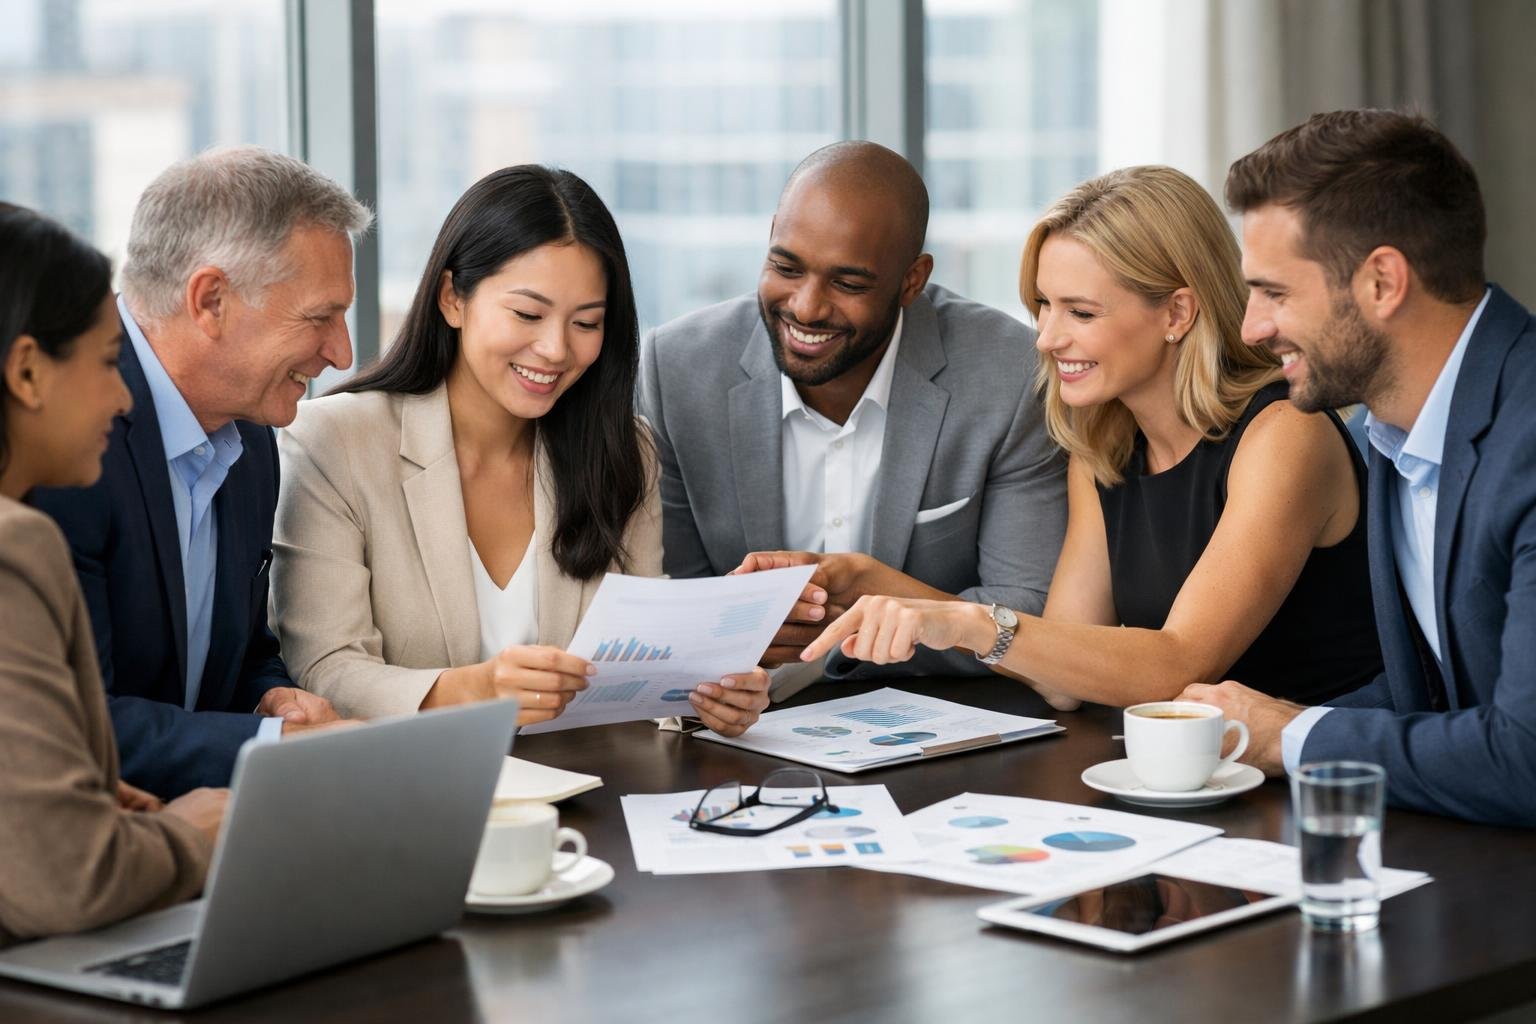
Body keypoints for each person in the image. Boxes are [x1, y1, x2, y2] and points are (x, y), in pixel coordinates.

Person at [800, 166, 1381, 708]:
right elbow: (1057, 680)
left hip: (1328, 780)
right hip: (1199, 775)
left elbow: (1179, 664)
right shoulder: (1106, 447)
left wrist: (968, 624)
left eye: (1080, 313)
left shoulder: (1285, 435)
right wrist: (875, 582)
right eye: (1044, 306)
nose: (1047, 339)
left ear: (1177, 313)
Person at [270, 166, 770, 736]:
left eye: (586, 322)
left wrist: (699, 695)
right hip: (415, 788)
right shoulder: (334, 442)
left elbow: (645, 667)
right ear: (452, 299)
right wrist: (476, 690)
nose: (555, 349)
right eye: (527, 314)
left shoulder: (624, 451)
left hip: (590, 792)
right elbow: (323, 667)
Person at [1169, 109, 1536, 827]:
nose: (1251, 328)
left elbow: (1526, 756)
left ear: (1381, 283)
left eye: (1274, 292)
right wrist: (1250, 725)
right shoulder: (1383, 427)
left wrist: (1292, 735)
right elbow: (1431, 693)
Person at [639, 141, 1067, 697]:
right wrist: (731, 640)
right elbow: (666, 599)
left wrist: (868, 622)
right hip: (742, 724)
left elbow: (1031, 618)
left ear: (912, 280)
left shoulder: (1007, 375)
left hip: (946, 721)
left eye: (848, 283)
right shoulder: (676, 370)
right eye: (785, 267)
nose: (807, 307)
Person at [29, 147, 370, 798]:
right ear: (210, 299)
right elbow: (73, 724)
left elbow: (244, 650)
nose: (341, 352)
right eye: (320, 317)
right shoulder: (62, 441)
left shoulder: (251, 435)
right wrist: (269, 746)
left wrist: (273, 699)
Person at [0, 203, 226, 947]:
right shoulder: (15, 548)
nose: (125, 395)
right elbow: (71, 880)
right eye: (104, 362)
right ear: (28, 371)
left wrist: (89, 797)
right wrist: (190, 835)